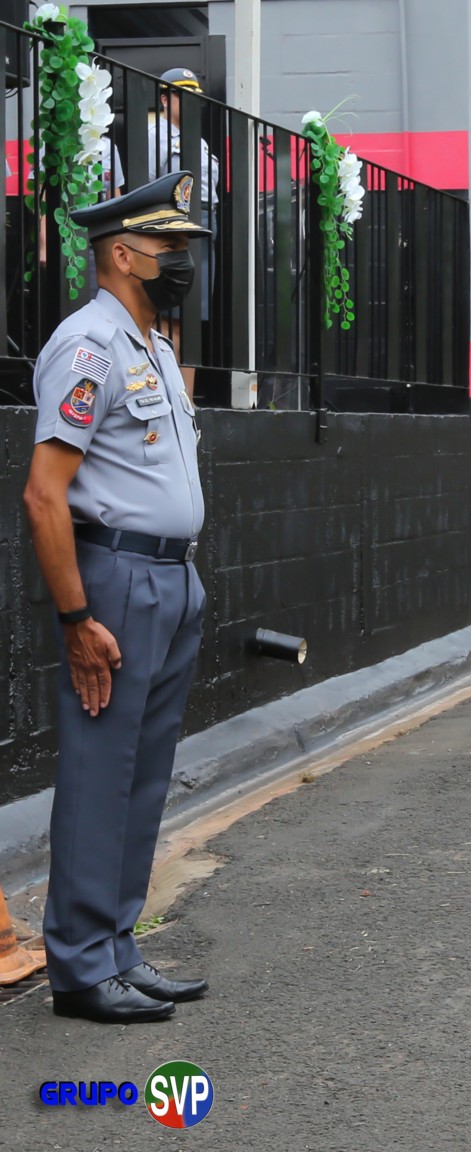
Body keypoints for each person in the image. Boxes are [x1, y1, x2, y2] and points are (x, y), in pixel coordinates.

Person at [23, 172, 212, 1023]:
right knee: (102, 774)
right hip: (116, 583)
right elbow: (42, 493)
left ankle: (117, 949)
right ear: (123, 253)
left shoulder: (156, 347)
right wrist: (75, 619)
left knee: (143, 775)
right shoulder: (88, 345)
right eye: (169, 248)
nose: (181, 261)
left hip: (173, 578)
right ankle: (78, 968)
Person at [148, 67, 220, 370]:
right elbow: (147, 188)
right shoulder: (156, 137)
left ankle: (185, 405)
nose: (191, 102)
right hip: (174, 225)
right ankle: (173, 401)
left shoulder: (198, 140)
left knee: (191, 320)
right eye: (183, 94)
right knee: (172, 320)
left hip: (205, 224)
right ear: (165, 99)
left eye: (195, 97)